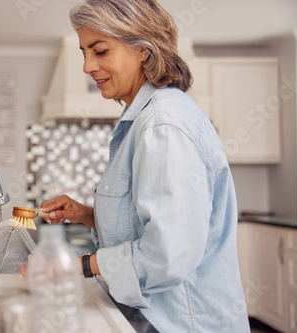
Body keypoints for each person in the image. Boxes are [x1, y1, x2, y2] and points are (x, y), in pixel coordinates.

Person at [39, 0, 250, 332]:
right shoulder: (144, 117)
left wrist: (80, 265)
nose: (87, 66)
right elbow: (148, 223)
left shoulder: (163, 125)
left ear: (143, 50)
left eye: (100, 51)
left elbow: (168, 254)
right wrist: (86, 214)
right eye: (84, 53)